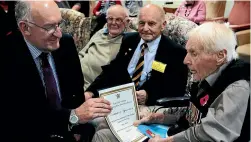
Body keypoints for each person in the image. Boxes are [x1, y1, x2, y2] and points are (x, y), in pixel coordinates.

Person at [0, 1, 112, 142]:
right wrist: (73, 117)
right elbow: (16, 118)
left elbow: (75, 95)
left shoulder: (66, 44)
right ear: (25, 27)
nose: (59, 33)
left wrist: (77, 129)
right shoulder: (6, 56)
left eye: (59, 24)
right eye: (49, 27)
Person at [86, 4, 188, 141]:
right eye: (142, 23)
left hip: (150, 106)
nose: (145, 28)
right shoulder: (129, 40)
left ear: (163, 25)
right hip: (122, 101)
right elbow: (112, 70)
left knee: (102, 128)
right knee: (96, 123)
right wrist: (91, 91)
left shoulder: (175, 52)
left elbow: (177, 89)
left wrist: (148, 95)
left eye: (151, 23)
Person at [134, 22, 250, 142]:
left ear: (220, 56)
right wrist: (161, 118)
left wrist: (169, 141)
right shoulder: (209, 73)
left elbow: (211, 134)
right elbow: (195, 114)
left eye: (194, 53)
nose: (185, 60)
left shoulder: (237, 89)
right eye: (187, 52)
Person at [79, 5, 132, 90]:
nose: (113, 22)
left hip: (94, 88)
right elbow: (82, 52)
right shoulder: (100, 32)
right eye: (110, 19)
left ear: (126, 21)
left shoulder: (129, 39)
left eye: (118, 19)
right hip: (78, 80)